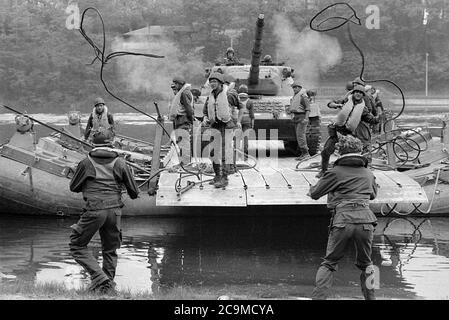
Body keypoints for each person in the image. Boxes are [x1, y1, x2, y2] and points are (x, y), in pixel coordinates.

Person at [69, 130, 139, 294]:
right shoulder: (121, 163)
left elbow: (74, 187)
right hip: (114, 212)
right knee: (110, 250)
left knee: (76, 245)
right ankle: (106, 287)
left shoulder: (86, 163)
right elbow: (134, 193)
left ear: (93, 145)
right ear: (111, 144)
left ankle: (102, 280)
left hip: (94, 210)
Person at [308, 134, 378, 300]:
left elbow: (315, 194)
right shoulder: (368, 173)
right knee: (367, 264)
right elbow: (373, 195)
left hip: (342, 220)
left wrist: (313, 188)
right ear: (360, 152)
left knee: (329, 263)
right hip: (366, 221)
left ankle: (318, 298)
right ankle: (372, 297)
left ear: (340, 153)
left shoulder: (335, 172)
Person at [317, 84, 381, 178]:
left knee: (360, 155)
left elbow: (372, 120)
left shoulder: (363, 109)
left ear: (363, 95)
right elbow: (330, 103)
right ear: (353, 93)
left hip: (351, 136)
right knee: (326, 151)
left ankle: (365, 175)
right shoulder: (346, 100)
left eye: (360, 93)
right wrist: (336, 105)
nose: (358, 94)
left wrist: (380, 118)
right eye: (356, 92)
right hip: (338, 133)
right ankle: (323, 171)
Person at [202, 72, 243, 188]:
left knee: (225, 153)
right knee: (213, 152)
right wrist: (205, 118)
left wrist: (238, 121)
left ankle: (224, 178)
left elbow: (241, 107)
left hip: (226, 126)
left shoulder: (230, 94)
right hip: (215, 126)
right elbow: (205, 111)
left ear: (220, 83)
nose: (212, 84)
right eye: (211, 82)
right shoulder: (210, 95)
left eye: (215, 81)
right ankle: (217, 176)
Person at [288, 81, 311, 161]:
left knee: (301, 136)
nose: (294, 89)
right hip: (296, 117)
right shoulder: (296, 96)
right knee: (298, 136)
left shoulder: (303, 96)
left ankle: (306, 153)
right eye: (293, 88)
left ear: (299, 87)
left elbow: (308, 108)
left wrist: (306, 118)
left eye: (295, 87)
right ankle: (303, 153)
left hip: (302, 117)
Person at [237, 84, 255, 160]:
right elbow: (252, 114)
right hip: (247, 121)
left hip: (237, 120)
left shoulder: (236, 99)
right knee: (245, 138)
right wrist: (252, 123)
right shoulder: (249, 101)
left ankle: (236, 155)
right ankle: (245, 156)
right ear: (247, 91)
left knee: (236, 138)